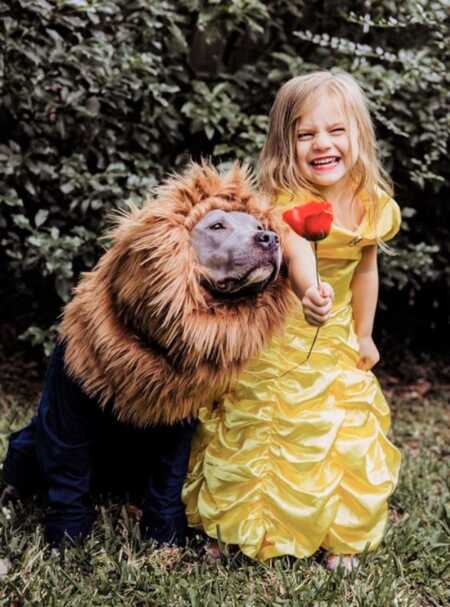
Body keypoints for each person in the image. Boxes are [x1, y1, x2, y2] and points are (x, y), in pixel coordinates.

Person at [182, 70, 401, 570]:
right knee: (264, 429)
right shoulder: (286, 205)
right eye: (306, 134)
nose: (322, 144)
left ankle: (338, 529)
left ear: (358, 134)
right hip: (283, 339)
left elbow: (366, 270)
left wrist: (363, 334)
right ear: (287, 143)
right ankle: (242, 525)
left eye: (335, 130)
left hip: (337, 338)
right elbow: (300, 254)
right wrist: (310, 293)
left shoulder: (371, 205)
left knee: (340, 432)